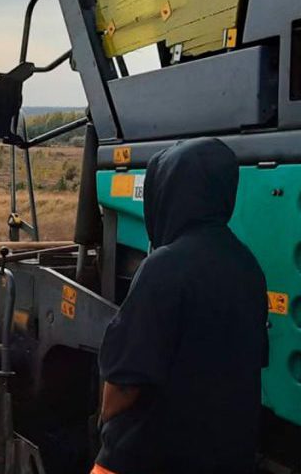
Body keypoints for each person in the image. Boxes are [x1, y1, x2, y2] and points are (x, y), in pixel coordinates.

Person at [93, 138, 268, 474]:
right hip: (229, 455)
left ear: (169, 192)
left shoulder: (164, 266)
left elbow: (125, 381)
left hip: (153, 456)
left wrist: (106, 428)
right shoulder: (248, 266)